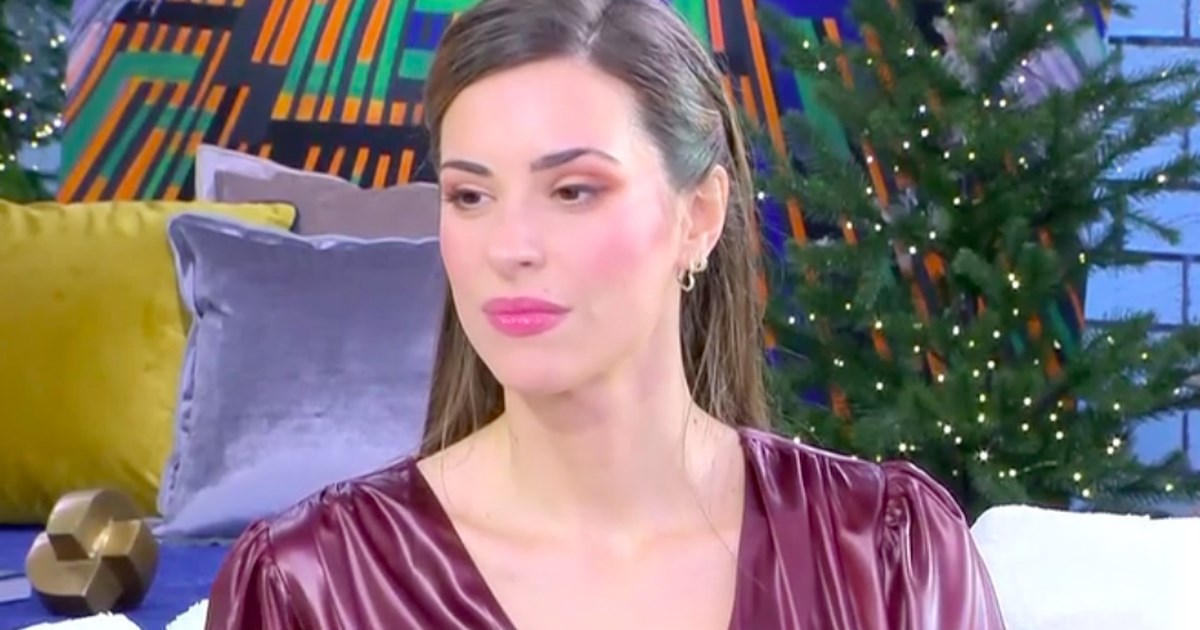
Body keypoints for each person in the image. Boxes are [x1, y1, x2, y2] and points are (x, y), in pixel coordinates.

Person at [204, 0, 1007, 628]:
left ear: (699, 215)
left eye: (573, 191)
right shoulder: (310, 585)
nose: (510, 247)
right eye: (471, 196)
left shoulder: (885, 555)